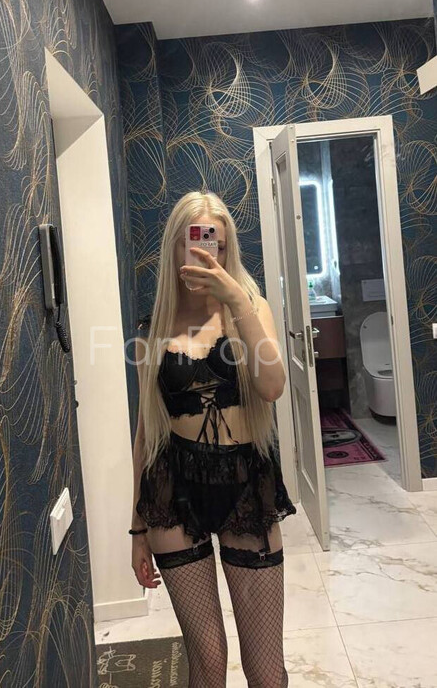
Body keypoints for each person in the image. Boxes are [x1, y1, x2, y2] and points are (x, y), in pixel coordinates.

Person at [129, 191, 297, 688]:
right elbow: (146, 433)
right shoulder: (152, 329)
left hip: (246, 484)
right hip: (173, 490)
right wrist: (137, 529)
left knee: (266, 670)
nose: (207, 252)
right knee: (206, 660)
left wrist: (235, 299)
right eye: (196, 240)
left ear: (228, 249)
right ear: (176, 246)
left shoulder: (251, 307)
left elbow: (272, 387)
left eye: (217, 244)